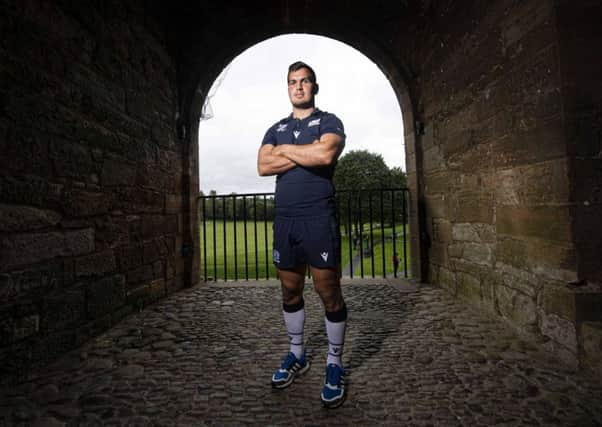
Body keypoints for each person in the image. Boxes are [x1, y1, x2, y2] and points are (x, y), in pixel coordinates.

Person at [257, 61, 347, 408]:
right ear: (288, 87)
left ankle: (334, 363)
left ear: (314, 86)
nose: (298, 87)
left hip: (318, 217)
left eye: (304, 81)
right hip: (286, 219)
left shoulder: (329, 121)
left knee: (328, 292)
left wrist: (286, 153)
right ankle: (298, 354)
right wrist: (303, 154)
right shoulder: (274, 127)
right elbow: (263, 165)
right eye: (293, 82)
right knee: (289, 288)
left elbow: (325, 153)